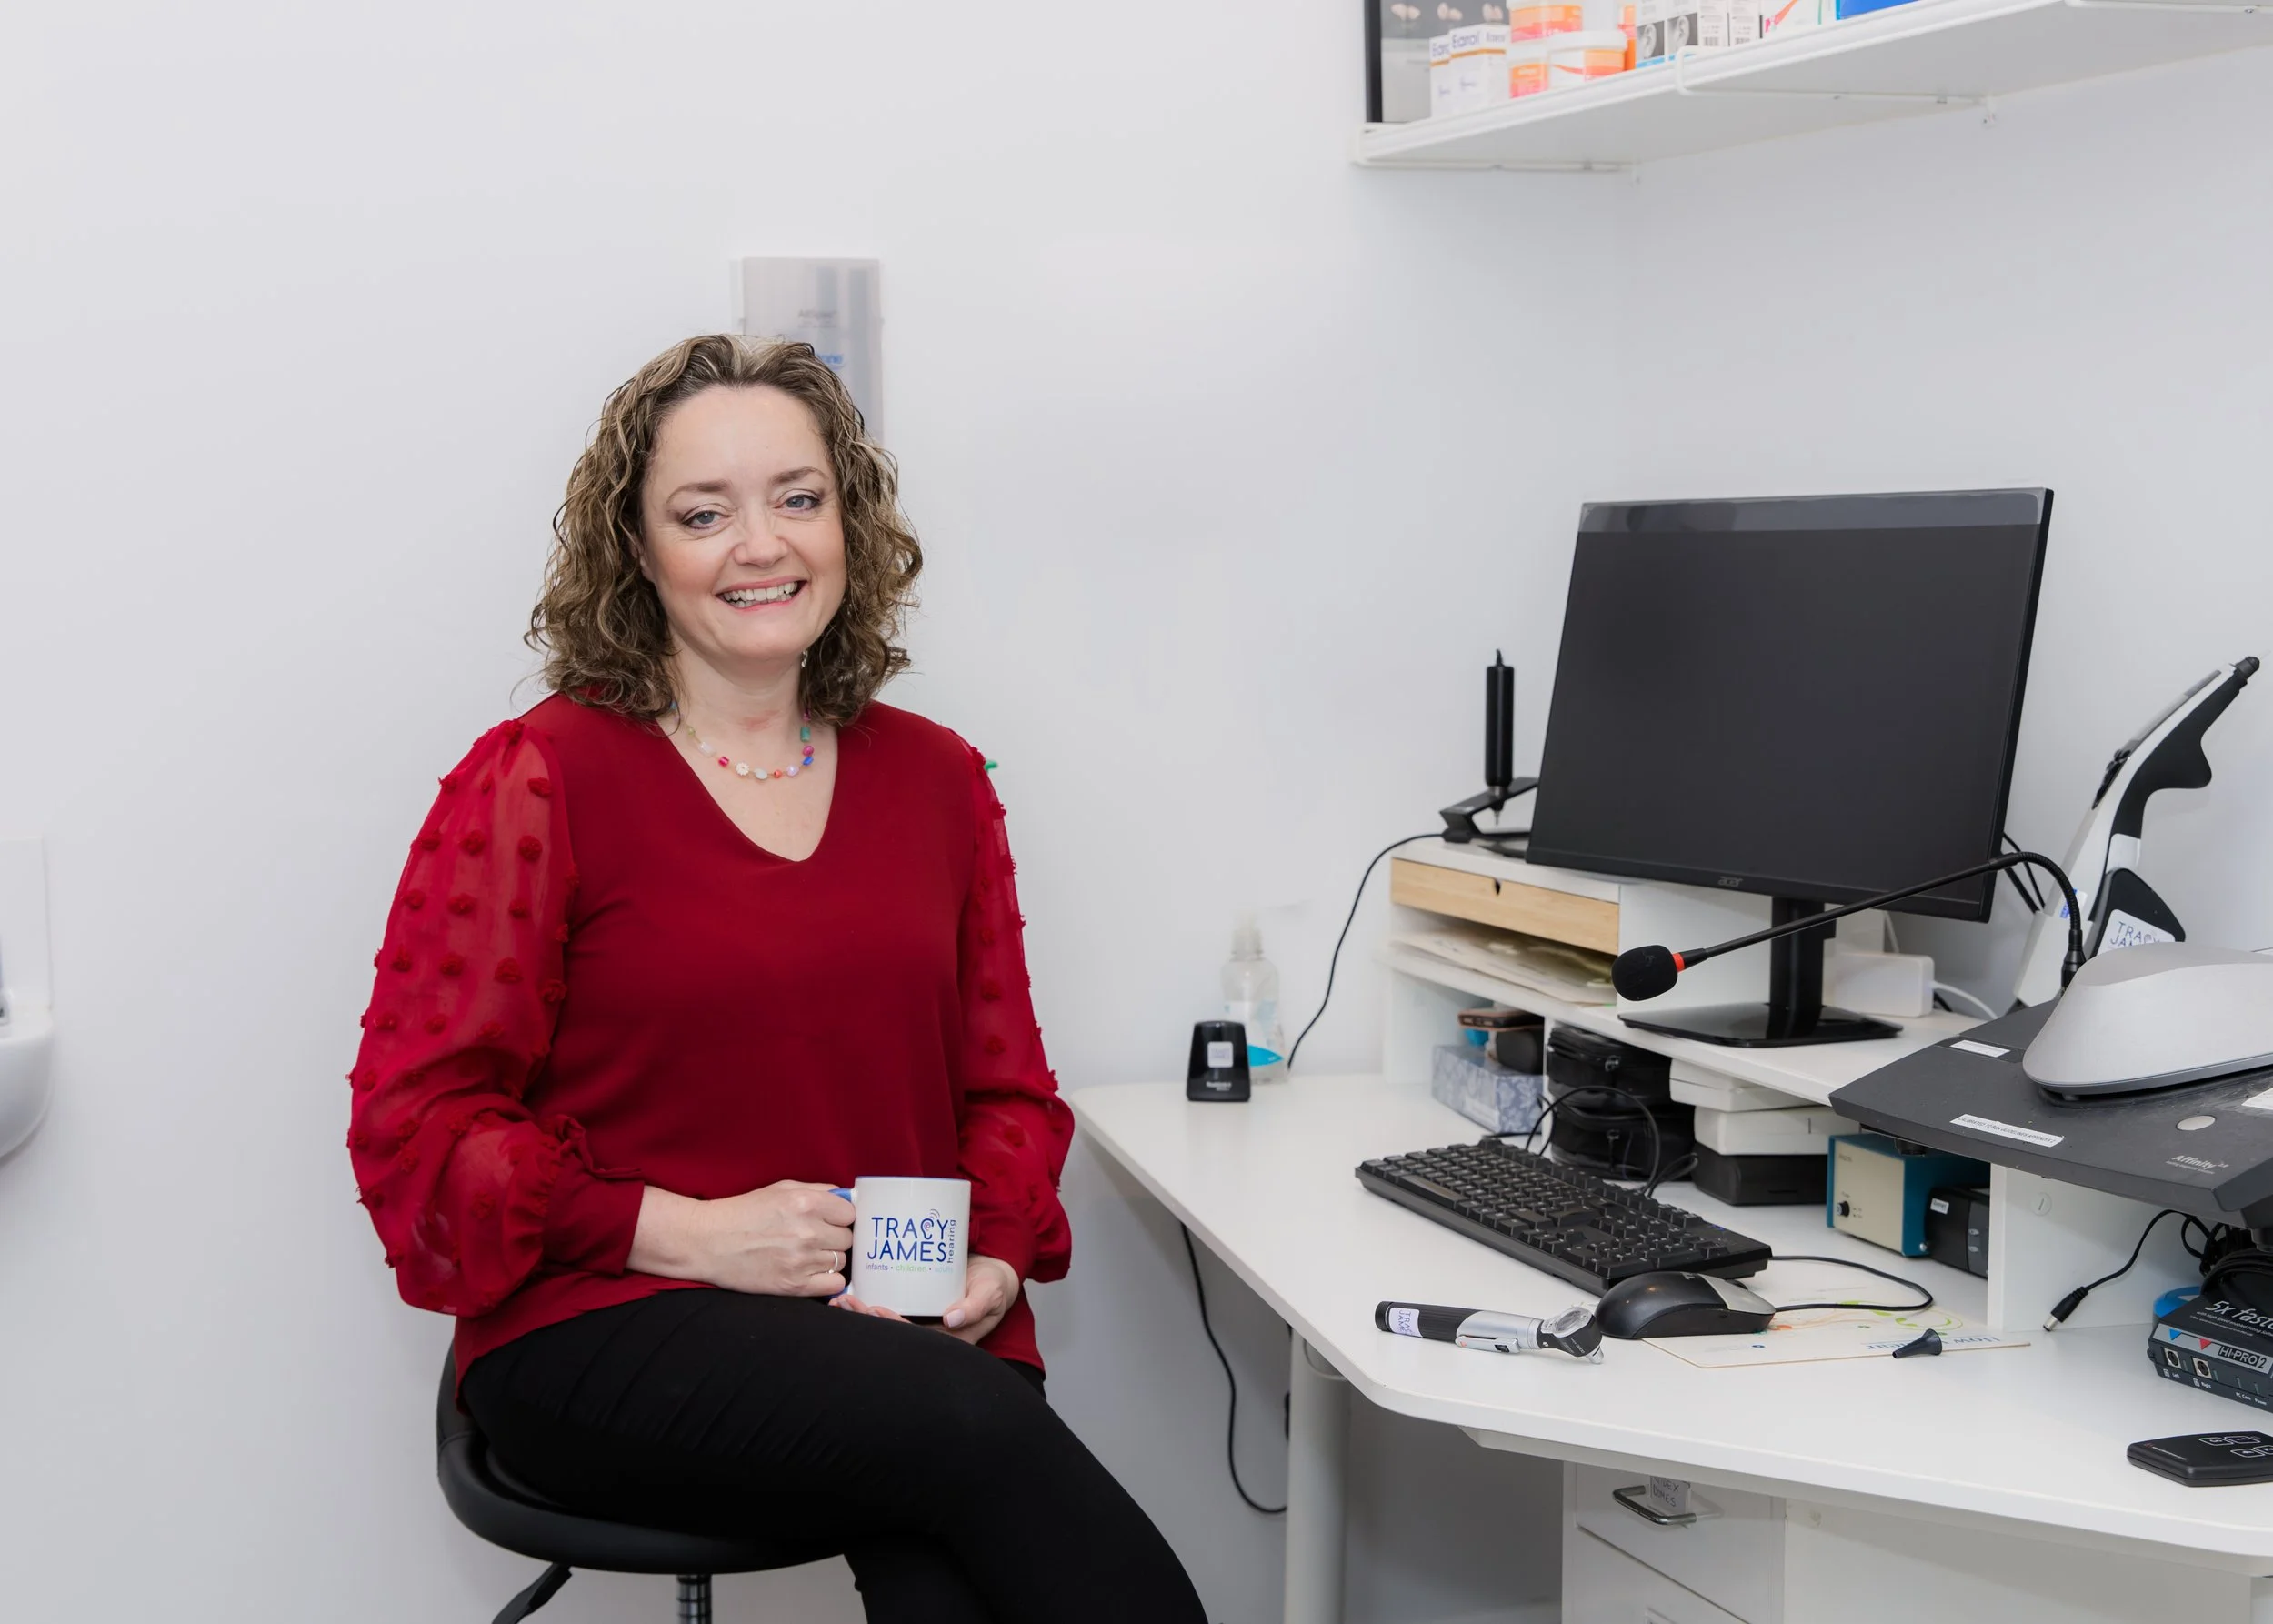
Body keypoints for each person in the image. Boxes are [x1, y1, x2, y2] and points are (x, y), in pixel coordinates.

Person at [345, 334, 1207, 1624]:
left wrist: (1001, 1255)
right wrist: (689, 1230)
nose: (761, 544)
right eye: (705, 513)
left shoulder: (941, 781)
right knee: (970, 1442)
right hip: (606, 1327)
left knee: (961, 1560)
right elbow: (415, 1135)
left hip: (906, 1335)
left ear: (848, 526)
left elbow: (1008, 1093)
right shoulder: (537, 776)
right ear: (639, 552)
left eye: (799, 499)